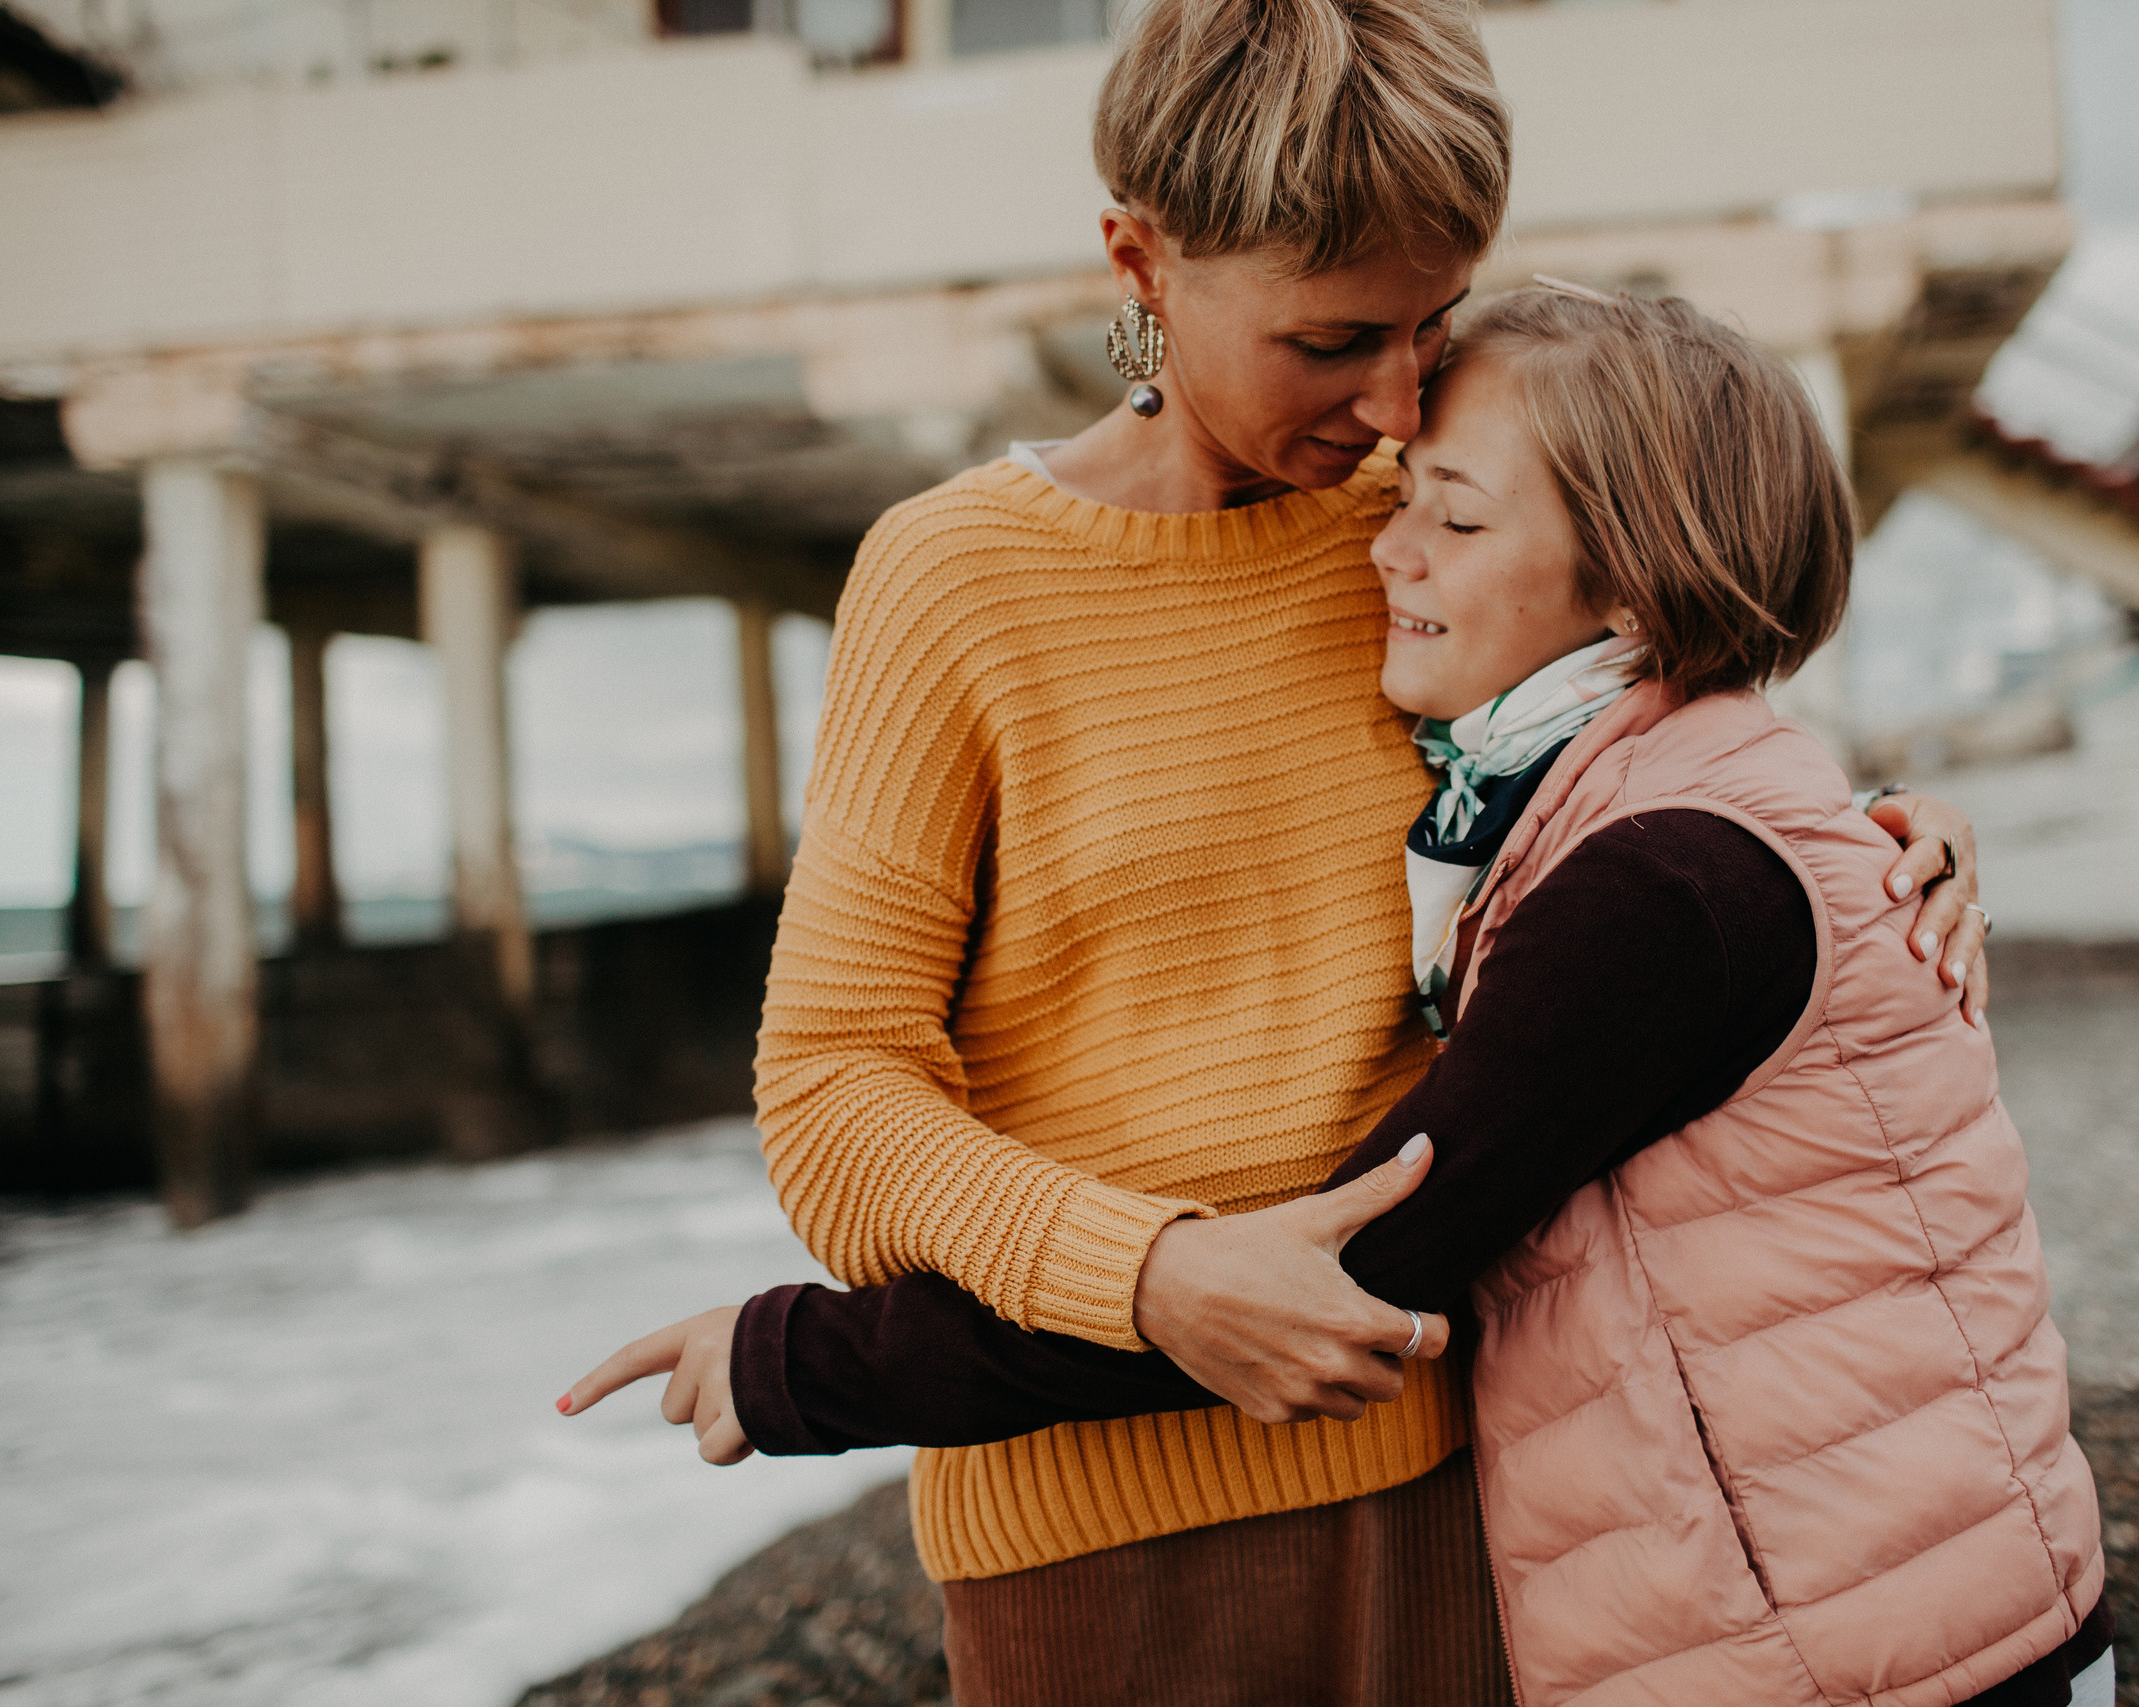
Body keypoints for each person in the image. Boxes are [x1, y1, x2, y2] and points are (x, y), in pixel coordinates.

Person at [565, 4, 1998, 1701]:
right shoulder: (953, 582)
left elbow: (1647, 767)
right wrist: (1155, 1276)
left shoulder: (1430, 534)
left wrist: (1878, 841)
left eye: (1436, 321)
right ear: (1140, 262)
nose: (1397, 397)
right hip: (1086, 1528)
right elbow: (833, 1093)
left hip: (1484, 1468)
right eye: (1333, 340)